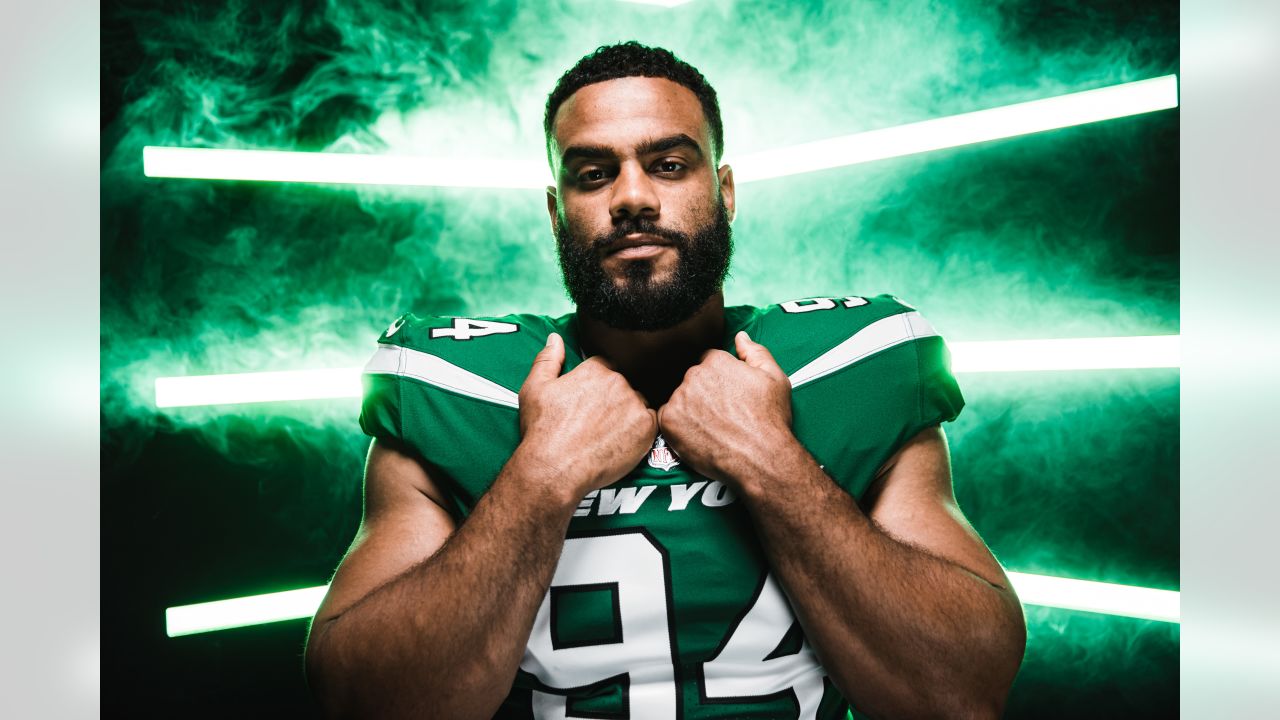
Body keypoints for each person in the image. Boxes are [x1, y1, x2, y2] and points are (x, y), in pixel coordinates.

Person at [304, 41, 1025, 719]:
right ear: (557, 213)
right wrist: (541, 476)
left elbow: (960, 693)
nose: (634, 197)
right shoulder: (456, 386)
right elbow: (359, 702)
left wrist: (770, 461)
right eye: (593, 174)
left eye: (670, 165)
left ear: (726, 190)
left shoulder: (853, 366)